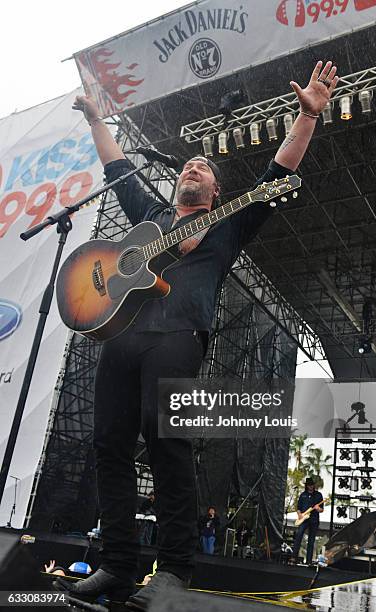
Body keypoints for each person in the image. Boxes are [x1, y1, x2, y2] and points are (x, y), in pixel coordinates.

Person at [55, 61, 338, 610]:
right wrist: (96, 121)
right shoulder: (153, 219)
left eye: (204, 166)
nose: (193, 166)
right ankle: (116, 565)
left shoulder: (227, 224)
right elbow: (118, 172)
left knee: (166, 442)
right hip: (124, 334)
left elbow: (275, 175)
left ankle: (174, 571)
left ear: (215, 188)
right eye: (188, 163)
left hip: (180, 333)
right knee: (108, 446)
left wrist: (306, 117)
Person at [292, 477, 324, 565]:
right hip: (304, 519)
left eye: (311, 485)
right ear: (306, 486)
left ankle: (309, 561)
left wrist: (318, 508)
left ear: (313, 485)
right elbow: (298, 508)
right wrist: (299, 515)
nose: (310, 486)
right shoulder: (303, 495)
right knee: (299, 535)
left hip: (314, 520)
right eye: (309, 485)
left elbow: (322, 510)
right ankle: (294, 557)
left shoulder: (318, 495)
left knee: (311, 540)